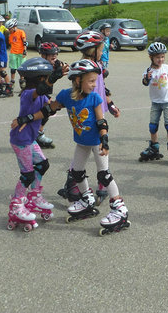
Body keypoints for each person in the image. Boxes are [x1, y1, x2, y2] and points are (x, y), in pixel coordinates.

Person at [48, 59, 130, 235]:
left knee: (104, 174)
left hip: (97, 142)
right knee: (76, 172)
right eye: (91, 81)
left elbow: (101, 120)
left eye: (95, 81)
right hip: (82, 142)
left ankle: (120, 209)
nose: (94, 85)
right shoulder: (65, 96)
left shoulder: (94, 98)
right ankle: (87, 200)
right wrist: (46, 86)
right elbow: (51, 108)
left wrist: (105, 140)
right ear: (78, 81)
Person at [57, 30, 120, 206]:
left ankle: (100, 185)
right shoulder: (85, 67)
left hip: (98, 112)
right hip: (87, 112)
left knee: (100, 151)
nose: (103, 52)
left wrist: (111, 104)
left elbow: (103, 87)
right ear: (92, 49)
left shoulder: (97, 66)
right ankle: (76, 185)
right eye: (101, 49)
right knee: (84, 150)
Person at [7, 57, 56, 232]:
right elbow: (41, 90)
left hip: (29, 139)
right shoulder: (30, 93)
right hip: (21, 141)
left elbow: (50, 106)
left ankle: (34, 197)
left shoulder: (41, 95)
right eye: (47, 78)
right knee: (27, 175)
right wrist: (54, 77)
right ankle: (16, 205)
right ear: (40, 79)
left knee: (42, 164)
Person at [34, 42, 69, 149]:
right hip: (37, 92)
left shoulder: (55, 64)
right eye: (51, 54)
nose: (54, 56)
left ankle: (38, 133)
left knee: (49, 110)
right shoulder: (39, 66)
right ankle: (35, 134)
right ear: (43, 55)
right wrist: (54, 75)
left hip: (45, 92)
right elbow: (40, 84)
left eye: (55, 54)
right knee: (47, 109)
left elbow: (66, 68)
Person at [5, 18, 27, 90]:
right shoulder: (10, 35)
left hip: (21, 53)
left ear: (14, 27)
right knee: (13, 69)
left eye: (10, 28)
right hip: (13, 53)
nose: (9, 30)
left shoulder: (21, 32)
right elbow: (10, 44)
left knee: (21, 69)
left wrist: (24, 51)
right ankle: (12, 81)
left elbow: (24, 42)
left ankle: (22, 82)